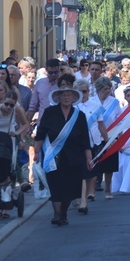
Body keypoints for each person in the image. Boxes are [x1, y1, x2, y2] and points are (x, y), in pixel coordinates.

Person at [34, 86, 92, 226]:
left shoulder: (79, 115)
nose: (66, 97)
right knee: (55, 185)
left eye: (69, 95)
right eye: (63, 95)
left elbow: (85, 139)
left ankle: (63, 212)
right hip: (53, 156)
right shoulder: (49, 112)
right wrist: (36, 152)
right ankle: (57, 214)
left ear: (73, 98)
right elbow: (41, 133)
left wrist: (89, 157)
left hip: (74, 156)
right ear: (58, 98)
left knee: (70, 187)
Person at [73, 78, 107, 215]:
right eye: (79, 92)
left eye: (85, 91)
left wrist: (106, 140)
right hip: (75, 144)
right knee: (81, 172)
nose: (82, 94)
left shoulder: (95, 105)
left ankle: (85, 197)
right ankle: (82, 201)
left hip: (92, 142)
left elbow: (101, 124)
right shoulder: (72, 106)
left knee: (89, 173)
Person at [92, 76, 122, 199]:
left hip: (110, 137)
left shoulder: (114, 102)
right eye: (105, 89)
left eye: (109, 89)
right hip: (94, 137)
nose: (107, 91)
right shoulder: (91, 101)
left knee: (109, 167)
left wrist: (118, 135)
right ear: (99, 89)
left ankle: (108, 190)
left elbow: (119, 120)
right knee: (93, 166)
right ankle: (91, 191)